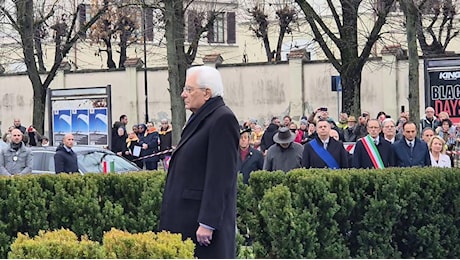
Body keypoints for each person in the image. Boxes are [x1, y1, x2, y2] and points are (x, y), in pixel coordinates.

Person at [159, 65, 239, 259]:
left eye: (189, 89)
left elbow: (220, 176)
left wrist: (207, 222)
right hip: (186, 219)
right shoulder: (201, 117)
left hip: (202, 228)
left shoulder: (222, 119)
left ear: (207, 93)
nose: (183, 94)